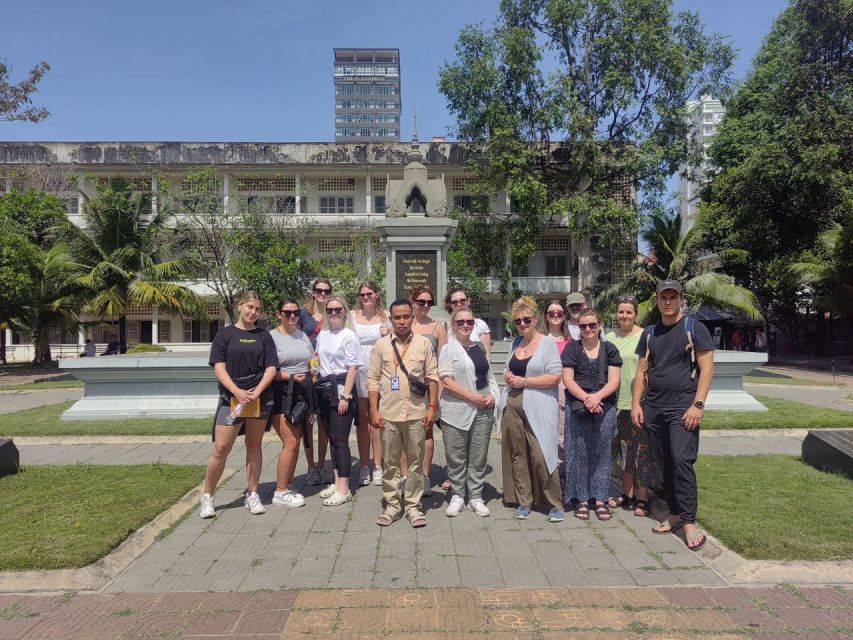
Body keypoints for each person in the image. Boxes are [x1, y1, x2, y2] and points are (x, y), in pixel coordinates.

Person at [632, 280, 714, 551]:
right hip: (654, 407)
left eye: (673, 297)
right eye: (663, 297)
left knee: (681, 462)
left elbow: (707, 369)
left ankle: (689, 523)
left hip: (683, 408)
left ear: (681, 300)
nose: (668, 302)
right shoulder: (650, 333)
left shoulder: (694, 328)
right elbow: (641, 372)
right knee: (662, 464)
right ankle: (675, 514)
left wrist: (698, 405)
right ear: (656, 301)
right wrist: (636, 404)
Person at [200, 290, 278, 518]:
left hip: (258, 399)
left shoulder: (264, 336)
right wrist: (236, 391)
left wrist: (257, 392)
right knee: (221, 449)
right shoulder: (224, 335)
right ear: (239, 306)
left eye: (257, 309)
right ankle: (207, 496)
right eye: (249, 307)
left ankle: (252, 494)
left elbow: (271, 367)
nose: (253, 312)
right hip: (231, 399)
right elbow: (219, 367)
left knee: (254, 445)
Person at [368, 299, 439, 528]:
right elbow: (373, 379)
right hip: (388, 413)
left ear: (412, 317)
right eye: (397, 317)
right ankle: (392, 505)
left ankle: (413, 507)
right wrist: (373, 409)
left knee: (416, 462)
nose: (401, 321)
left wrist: (432, 407)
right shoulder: (381, 345)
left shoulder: (424, 344)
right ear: (391, 319)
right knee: (390, 462)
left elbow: (432, 377)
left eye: (406, 316)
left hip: (417, 412)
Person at [501, 296, 564, 522]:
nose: (523, 324)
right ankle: (524, 500)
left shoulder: (547, 344)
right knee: (518, 455)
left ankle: (555, 503)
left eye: (527, 319)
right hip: (513, 407)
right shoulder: (515, 343)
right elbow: (511, 371)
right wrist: (509, 377)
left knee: (541, 455)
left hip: (539, 408)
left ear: (536, 319)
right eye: (518, 321)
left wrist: (525, 382)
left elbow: (555, 376)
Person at [562, 309, 622, 521]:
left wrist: (597, 398)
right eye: (583, 326)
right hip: (578, 405)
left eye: (592, 325)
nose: (588, 329)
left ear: (600, 325)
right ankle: (582, 498)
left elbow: (614, 381)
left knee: (602, 451)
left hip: (605, 405)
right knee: (580, 452)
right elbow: (568, 379)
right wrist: (588, 399)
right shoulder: (572, 348)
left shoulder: (610, 349)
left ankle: (600, 498)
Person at [438, 306, 498, 517]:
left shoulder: (479, 346)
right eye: (461, 322)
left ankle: (475, 496)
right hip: (457, 408)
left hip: (483, 407)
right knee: (456, 455)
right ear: (453, 325)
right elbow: (446, 381)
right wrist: (471, 397)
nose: (465, 325)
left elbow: (488, 375)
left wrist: (491, 394)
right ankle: (457, 495)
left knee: (478, 454)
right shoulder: (448, 349)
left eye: (469, 322)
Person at [605, 295, 657, 517]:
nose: (624, 315)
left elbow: (649, 369)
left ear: (636, 313)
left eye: (628, 312)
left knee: (641, 453)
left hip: (638, 403)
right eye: (621, 311)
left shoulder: (645, 336)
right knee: (623, 451)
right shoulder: (608, 338)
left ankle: (642, 498)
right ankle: (627, 494)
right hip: (613, 404)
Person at [314, 295, 362, 506]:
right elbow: (319, 359)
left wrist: (345, 396)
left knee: (341, 440)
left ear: (345, 312)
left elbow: (353, 368)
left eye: (338, 309)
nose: (334, 313)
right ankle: (336, 481)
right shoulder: (323, 335)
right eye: (330, 310)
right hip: (324, 389)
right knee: (332, 438)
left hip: (342, 390)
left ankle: (344, 488)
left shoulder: (350, 336)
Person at [269, 298, 314, 508]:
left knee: (297, 441)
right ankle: (280, 491)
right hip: (282, 394)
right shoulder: (271, 337)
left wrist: (313, 368)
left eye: (295, 313)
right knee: (291, 442)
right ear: (278, 314)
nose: (292, 317)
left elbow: (310, 359)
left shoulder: (302, 334)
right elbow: (267, 371)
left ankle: (287, 484)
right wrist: (289, 376)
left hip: (302, 392)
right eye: (287, 313)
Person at [351, 281, 390, 487]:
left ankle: (378, 465)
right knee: (363, 420)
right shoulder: (351, 316)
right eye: (362, 294)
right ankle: (364, 465)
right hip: (357, 370)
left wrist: (388, 335)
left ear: (376, 295)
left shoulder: (387, 317)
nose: (365, 297)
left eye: (369, 293)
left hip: (379, 370)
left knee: (377, 419)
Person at [409, 285, 447, 497]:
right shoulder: (405, 323)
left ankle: (424, 476)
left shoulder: (437, 328)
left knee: (426, 431)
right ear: (412, 302)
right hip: (406, 386)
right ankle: (408, 477)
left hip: (429, 385)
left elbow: (443, 362)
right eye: (421, 302)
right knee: (405, 433)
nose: (425, 306)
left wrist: (439, 393)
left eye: (429, 302)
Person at [298, 277, 332, 486]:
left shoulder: (334, 312)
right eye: (319, 290)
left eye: (326, 291)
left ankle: (321, 464)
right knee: (308, 421)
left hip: (326, 372)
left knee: (324, 421)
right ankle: (311, 466)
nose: (322, 294)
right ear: (313, 292)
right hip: (307, 372)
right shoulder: (303, 314)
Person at [541, 300, 571, 477]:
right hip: (544, 393)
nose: (555, 316)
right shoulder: (539, 340)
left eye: (559, 313)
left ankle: (561, 478)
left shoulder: (571, 341)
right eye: (551, 313)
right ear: (545, 316)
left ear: (564, 315)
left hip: (564, 394)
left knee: (562, 437)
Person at [445, 287, 492, 359]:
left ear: (468, 301)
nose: (459, 304)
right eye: (455, 302)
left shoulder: (480, 325)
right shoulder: (445, 328)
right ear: (450, 305)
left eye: (462, 300)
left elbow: (487, 358)